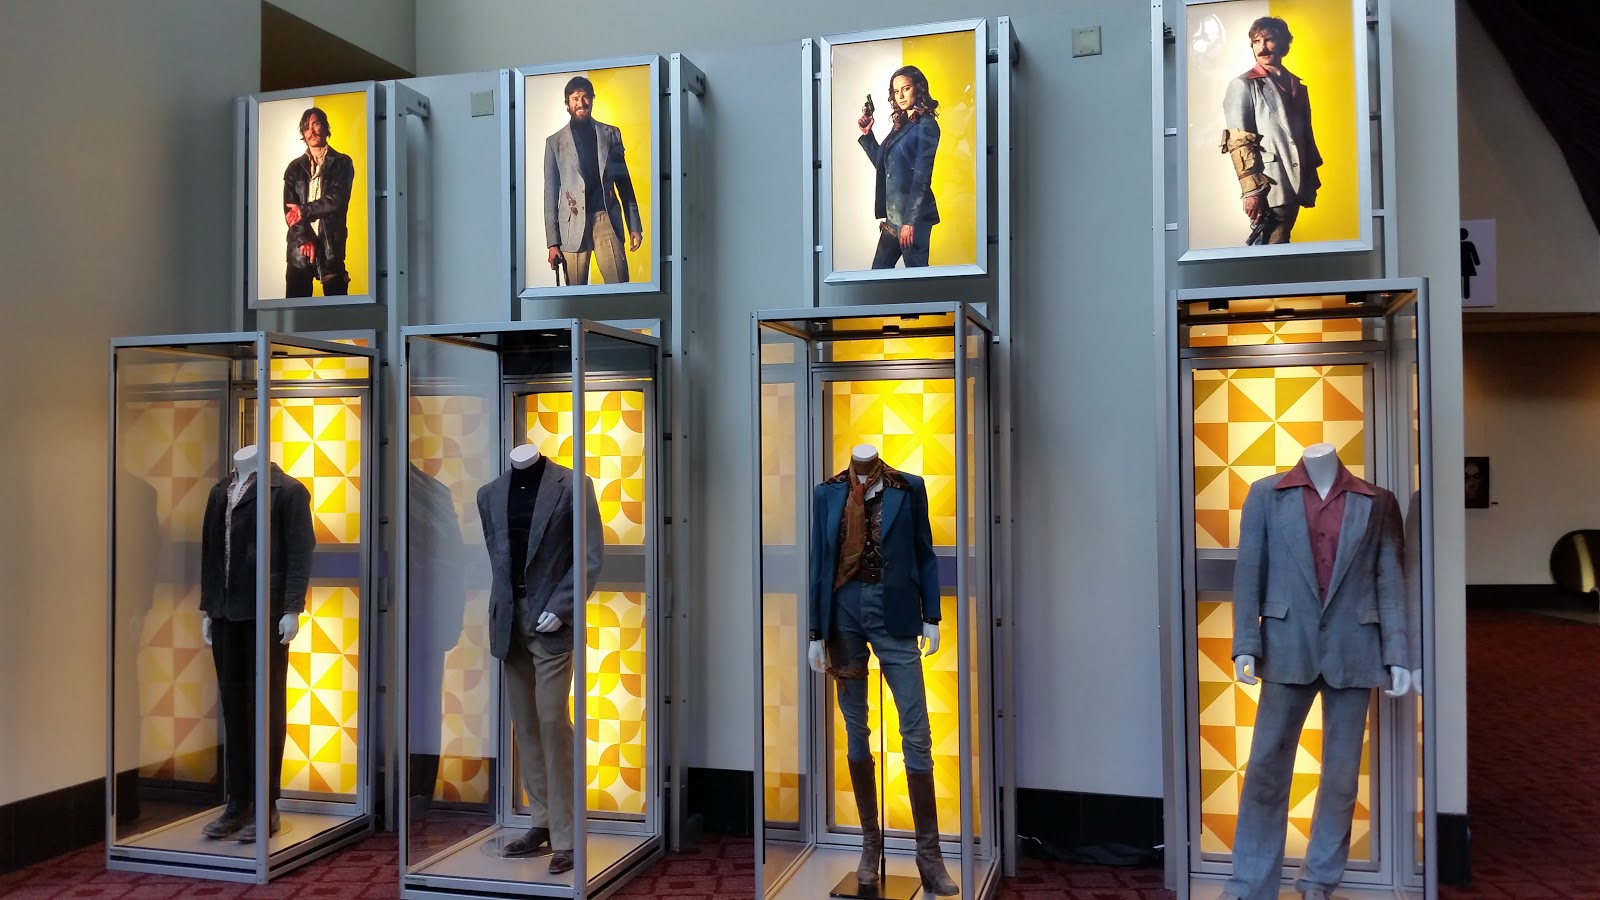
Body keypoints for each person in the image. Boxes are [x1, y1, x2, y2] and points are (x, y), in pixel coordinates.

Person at [1220, 17, 1323, 245]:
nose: (1262, 48)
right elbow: (1239, 142)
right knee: (1268, 248)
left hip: (1297, 182)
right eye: (1256, 42)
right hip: (1268, 185)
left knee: (1281, 244)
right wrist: (1251, 191)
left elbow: (1306, 135)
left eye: (1269, 40)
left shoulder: (1297, 85)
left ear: (1285, 44)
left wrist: (1311, 176)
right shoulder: (1243, 85)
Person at [543, 76, 642, 285]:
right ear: (567, 104)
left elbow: (624, 183)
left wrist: (634, 225)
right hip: (571, 225)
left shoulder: (611, 134)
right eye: (575, 98)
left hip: (606, 219)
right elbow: (550, 195)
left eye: (585, 97)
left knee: (619, 287)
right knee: (574, 295)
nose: (581, 103)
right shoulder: (554, 143)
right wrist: (553, 243)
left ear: (592, 99)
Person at [857, 65, 941, 269]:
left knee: (917, 275)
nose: (900, 96)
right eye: (896, 91)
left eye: (906, 89)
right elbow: (884, 164)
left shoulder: (926, 125)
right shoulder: (901, 124)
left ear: (918, 88)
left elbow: (922, 178)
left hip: (914, 218)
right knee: (878, 272)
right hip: (893, 217)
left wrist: (910, 222)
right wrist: (867, 135)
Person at [282, 107, 354, 297]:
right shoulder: (294, 168)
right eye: (306, 128)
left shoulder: (342, 163)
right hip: (300, 250)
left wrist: (304, 210)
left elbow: (336, 200)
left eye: (316, 124)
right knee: (296, 312)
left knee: (337, 311)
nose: (311, 131)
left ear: (325, 127)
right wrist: (305, 239)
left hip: (331, 248)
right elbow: (290, 211)